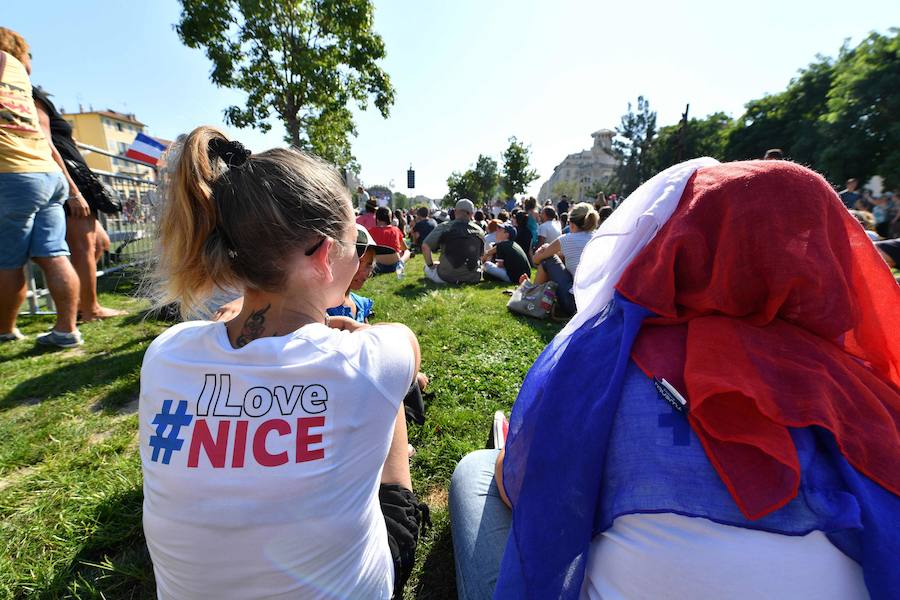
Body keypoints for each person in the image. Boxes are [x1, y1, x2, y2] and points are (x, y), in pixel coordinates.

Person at [451, 159, 900, 600]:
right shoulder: (872, 394)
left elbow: (520, 491)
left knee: (475, 472)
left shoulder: (602, 363)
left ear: (683, 241)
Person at [140, 127, 427, 599]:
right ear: (321, 253)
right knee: (389, 403)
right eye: (354, 239)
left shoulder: (165, 355)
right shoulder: (370, 357)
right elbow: (405, 347)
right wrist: (354, 333)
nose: (359, 253)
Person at [0, 29, 85, 347]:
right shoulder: (18, 76)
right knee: (54, 254)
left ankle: (5, 331)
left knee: (7, 260)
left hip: (11, 175)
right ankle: (66, 330)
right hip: (47, 174)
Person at [31, 86, 126, 322]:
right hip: (68, 181)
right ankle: (89, 309)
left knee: (99, 243)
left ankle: (81, 304)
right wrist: (73, 191)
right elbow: (46, 144)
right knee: (83, 248)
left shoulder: (36, 97)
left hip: (74, 179)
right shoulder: (32, 97)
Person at [528, 202, 600, 315]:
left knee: (547, 260)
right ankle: (534, 295)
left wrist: (544, 249)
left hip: (573, 303)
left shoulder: (567, 239)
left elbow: (536, 260)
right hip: (596, 302)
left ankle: (532, 297)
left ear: (571, 224)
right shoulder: (599, 238)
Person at [422, 199, 485, 284]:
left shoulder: (444, 227)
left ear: (455, 211)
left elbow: (425, 246)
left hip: (446, 277)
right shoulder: (480, 230)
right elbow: (481, 255)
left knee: (426, 267)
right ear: (471, 214)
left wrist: (431, 265)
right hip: (473, 277)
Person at [370, 206, 410, 275]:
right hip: (394, 265)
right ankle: (401, 262)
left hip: (377, 266)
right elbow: (405, 248)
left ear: (377, 218)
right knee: (407, 252)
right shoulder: (396, 230)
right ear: (390, 218)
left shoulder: (370, 231)